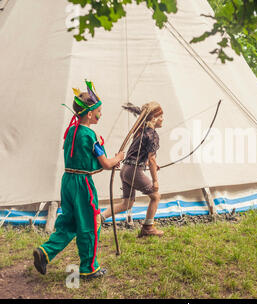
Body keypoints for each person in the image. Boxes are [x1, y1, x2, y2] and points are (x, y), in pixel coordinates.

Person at [33, 80, 125, 279]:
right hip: (83, 186)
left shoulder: (72, 131)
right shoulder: (90, 135)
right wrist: (119, 158)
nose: (101, 114)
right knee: (90, 224)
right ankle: (89, 268)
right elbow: (106, 164)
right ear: (90, 114)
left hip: (67, 182)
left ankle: (45, 252)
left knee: (70, 222)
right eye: (99, 111)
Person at [100, 102, 164, 238]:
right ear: (153, 118)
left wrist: (147, 162)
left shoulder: (141, 131)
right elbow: (151, 159)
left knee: (127, 203)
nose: (163, 119)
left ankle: (99, 218)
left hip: (126, 170)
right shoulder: (151, 134)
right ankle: (148, 227)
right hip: (134, 171)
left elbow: (141, 154)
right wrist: (155, 180)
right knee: (156, 196)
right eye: (161, 116)